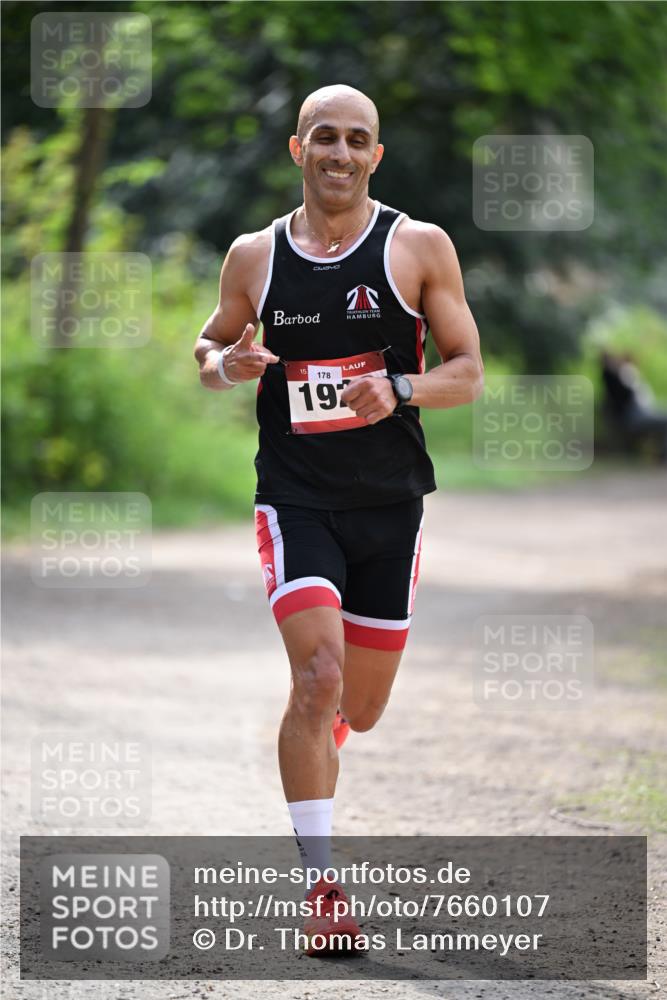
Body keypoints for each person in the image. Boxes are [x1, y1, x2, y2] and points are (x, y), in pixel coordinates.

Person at [194, 84, 483, 955]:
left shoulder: (418, 246)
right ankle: (322, 886)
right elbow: (207, 349)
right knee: (316, 677)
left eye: (357, 140)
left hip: (390, 504)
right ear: (297, 149)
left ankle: (323, 733)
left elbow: (467, 373)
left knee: (360, 703)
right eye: (324, 137)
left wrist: (397, 386)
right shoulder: (254, 255)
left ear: (375, 157)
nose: (340, 153)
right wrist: (228, 364)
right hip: (295, 498)